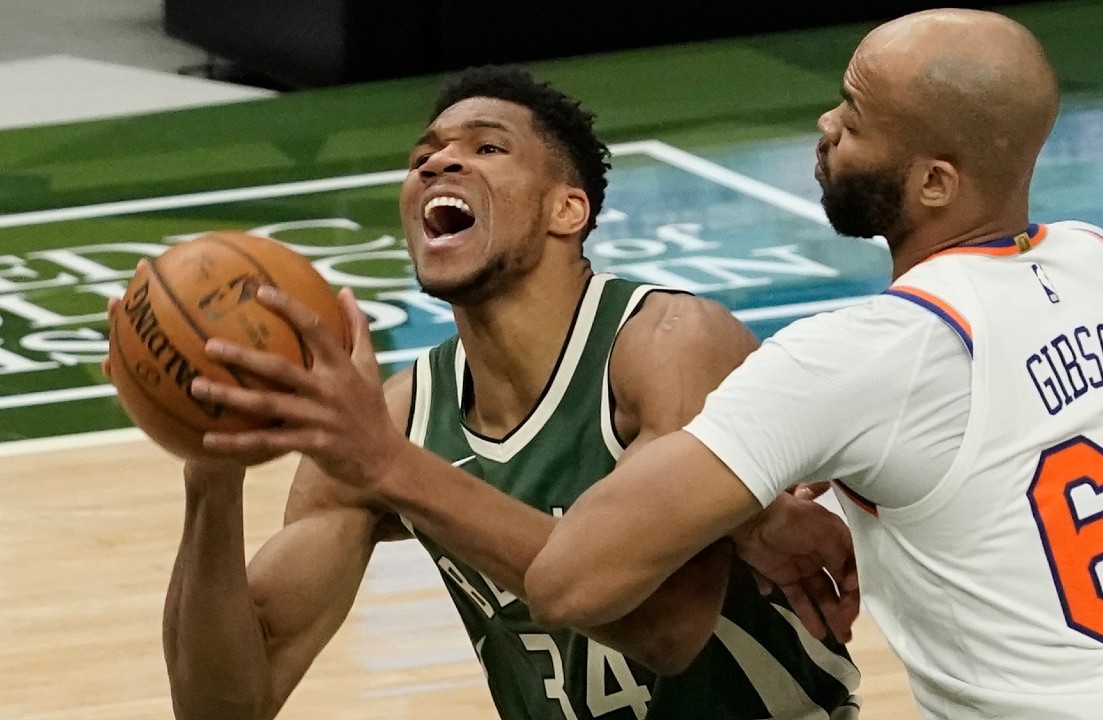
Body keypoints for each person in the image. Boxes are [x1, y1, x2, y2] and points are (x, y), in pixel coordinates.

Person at [518, 10, 1103, 720]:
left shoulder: (861, 357)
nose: (826, 126)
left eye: (853, 120)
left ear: (934, 183)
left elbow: (568, 581)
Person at [112, 66, 862, 719]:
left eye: (486, 147)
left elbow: (667, 627)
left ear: (566, 209)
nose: (440, 163)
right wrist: (211, 477)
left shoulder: (667, 344)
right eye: (425, 156)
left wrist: (385, 465)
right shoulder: (399, 416)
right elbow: (226, 704)